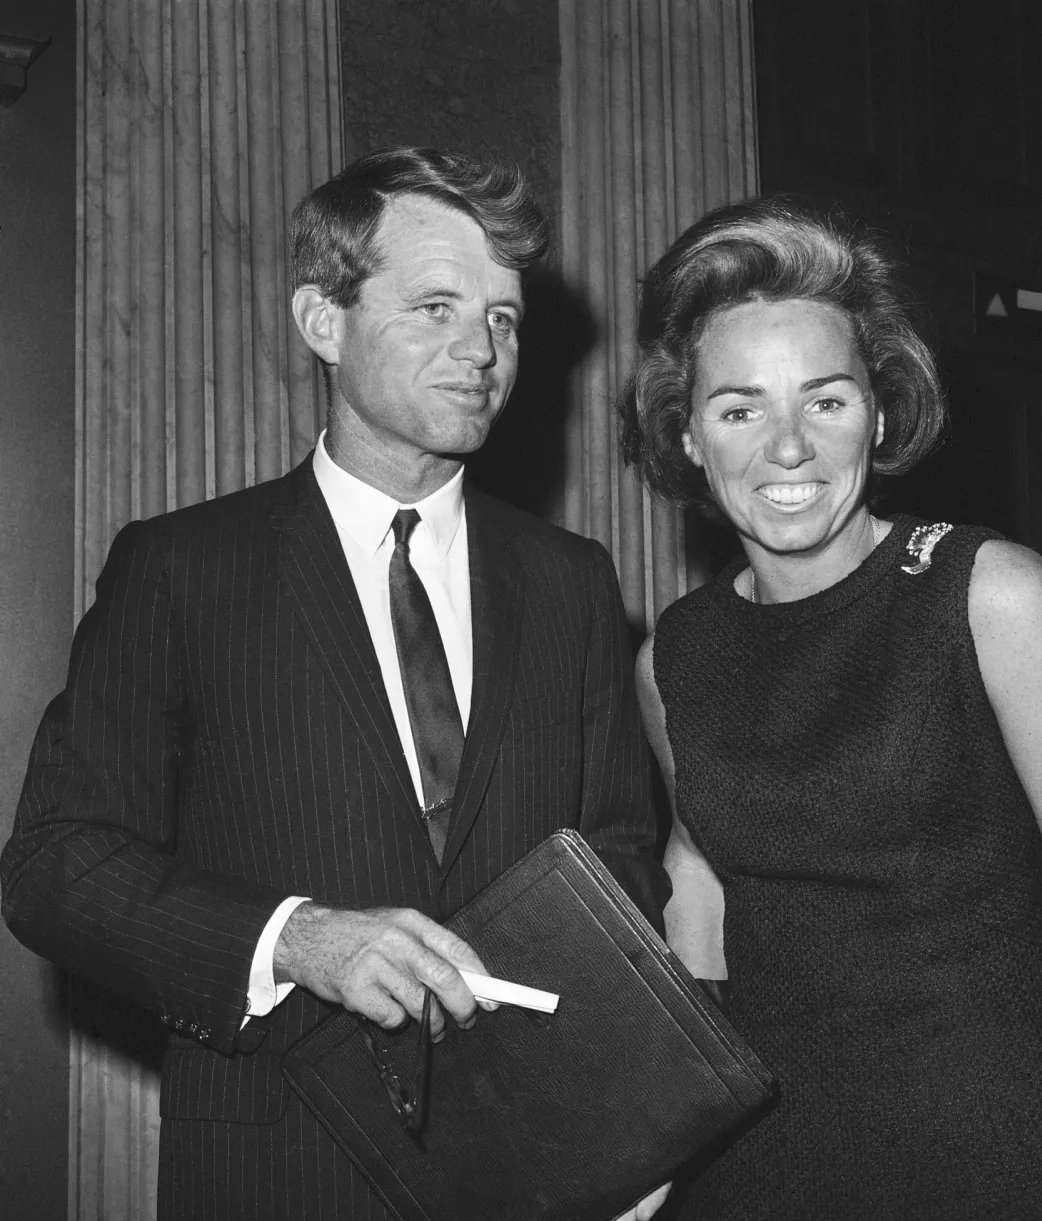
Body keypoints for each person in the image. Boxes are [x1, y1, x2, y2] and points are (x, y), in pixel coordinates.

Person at [2, 146, 671, 1221]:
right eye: (438, 307)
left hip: (530, 1176)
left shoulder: (574, 584)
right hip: (276, 1170)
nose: (482, 351)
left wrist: (625, 1115)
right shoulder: (184, 569)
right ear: (324, 321)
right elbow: (56, 864)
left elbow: (621, 866)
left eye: (504, 319)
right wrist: (294, 936)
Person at [619, 196, 1042, 1220]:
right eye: (740, 408)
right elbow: (701, 886)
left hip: (1005, 1156)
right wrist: (648, 1154)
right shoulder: (676, 650)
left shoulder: (987, 593)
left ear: (880, 415)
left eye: (827, 401)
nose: (788, 447)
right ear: (688, 435)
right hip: (764, 1170)